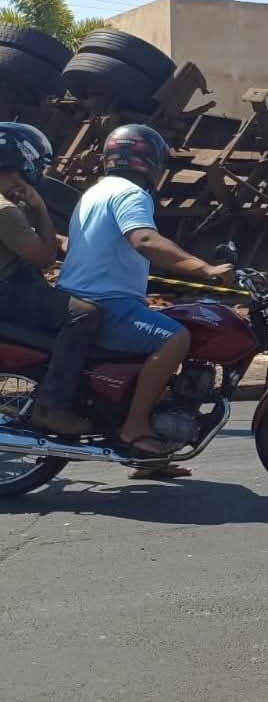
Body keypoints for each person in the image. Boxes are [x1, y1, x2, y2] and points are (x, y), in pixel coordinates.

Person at [57, 125, 233, 460]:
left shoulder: (95, 191)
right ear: (151, 160)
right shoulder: (131, 195)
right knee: (175, 338)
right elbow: (144, 240)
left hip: (83, 299)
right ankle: (135, 427)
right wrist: (205, 269)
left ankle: (154, 455)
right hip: (107, 304)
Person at [0, 124, 101, 435]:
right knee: (85, 314)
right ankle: (52, 408)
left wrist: (55, 237)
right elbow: (44, 259)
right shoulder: (6, 211)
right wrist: (41, 208)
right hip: (7, 293)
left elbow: (19, 240)